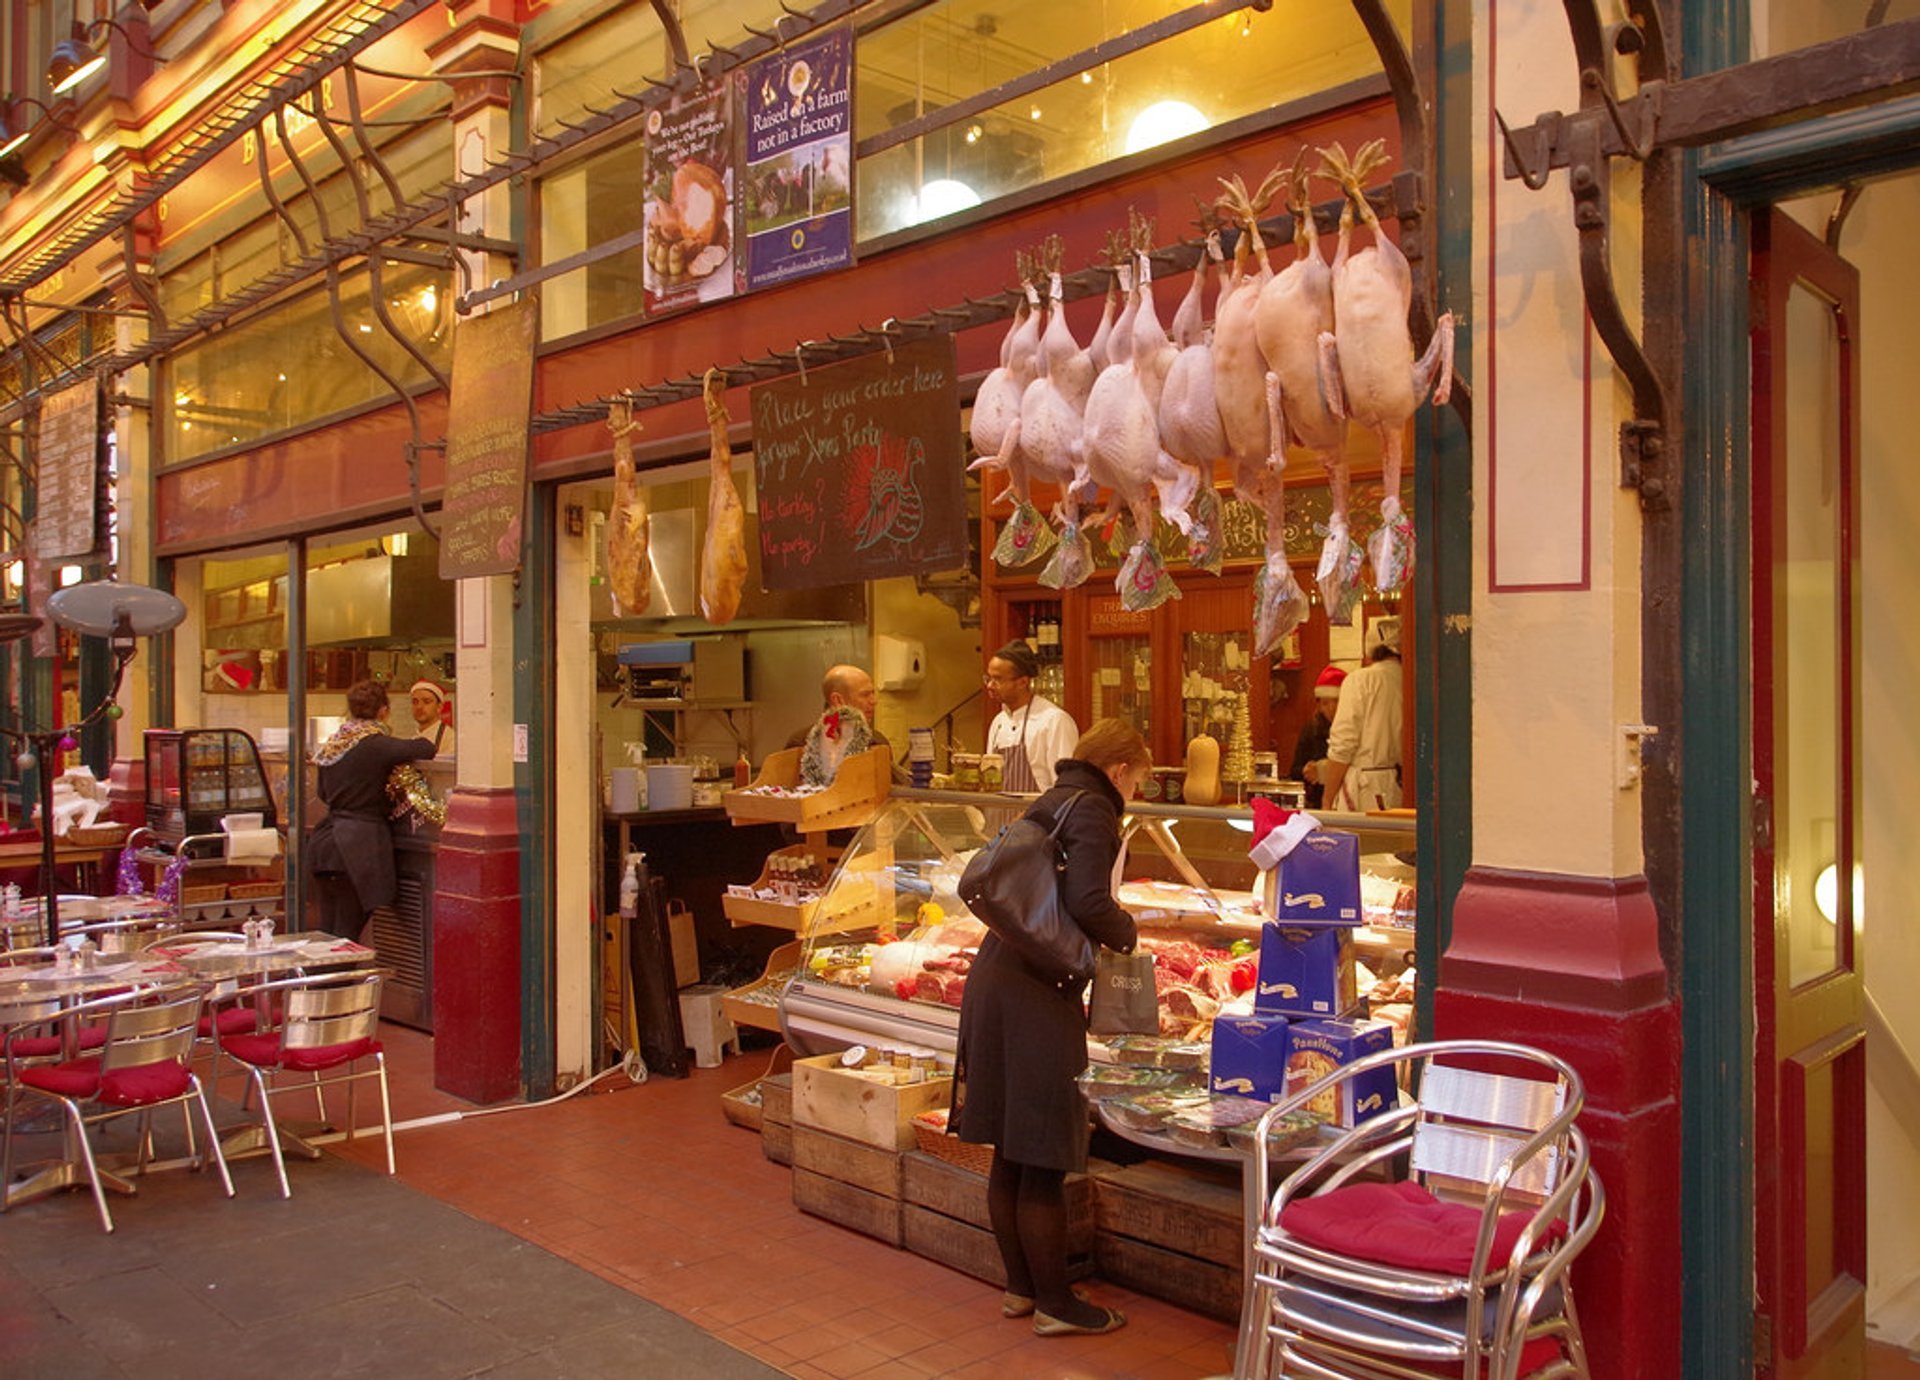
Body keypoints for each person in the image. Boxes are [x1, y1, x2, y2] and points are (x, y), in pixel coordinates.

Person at [953, 718, 1150, 1337]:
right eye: (1139, 778)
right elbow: (1090, 902)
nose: (1136, 789)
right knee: (1040, 1156)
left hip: (998, 976)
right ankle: (1056, 1305)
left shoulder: (1053, 798)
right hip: (1039, 991)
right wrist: (1129, 934)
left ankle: (1020, 1288)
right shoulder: (1094, 809)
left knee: (1012, 1152)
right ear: (1120, 770)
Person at [306, 680, 436, 941]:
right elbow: (425, 748)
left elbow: (321, 793)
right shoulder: (375, 744)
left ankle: (319, 980)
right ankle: (338, 982)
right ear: (383, 711)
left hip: (324, 845)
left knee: (328, 931)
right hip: (356, 849)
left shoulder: (334, 744)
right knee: (347, 932)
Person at [1321, 618, 1404, 812]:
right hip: (1398, 787)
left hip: (1364, 790)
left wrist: (1327, 799)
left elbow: (1343, 745)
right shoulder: (1409, 679)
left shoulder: (1360, 680)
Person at [982, 640, 1079, 793]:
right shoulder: (998, 722)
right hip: (997, 816)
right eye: (988, 678)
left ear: (1023, 682)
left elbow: (1066, 788)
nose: (989, 686)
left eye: (998, 679)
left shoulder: (1054, 721)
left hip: (1037, 816)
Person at [783, 663, 905, 783]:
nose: (874, 701)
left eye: (873, 693)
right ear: (838, 700)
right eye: (865, 695)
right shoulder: (801, 743)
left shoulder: (877, 741)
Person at [1289, 665, 1347, 809]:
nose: (1331, 709)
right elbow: (1295, 770)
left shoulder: (1353, 729)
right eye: (1325, 703)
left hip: (1348, 798)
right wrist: (1306, 770)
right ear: (1319, 706)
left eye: (1336, 701)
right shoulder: (1311, 730)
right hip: (1317, 802)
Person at [408, 679, 455, 756]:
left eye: (427, 702)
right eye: (415, 702)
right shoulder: (414, 739)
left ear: (439, 707)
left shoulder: (450, 739)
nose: (419, 707)